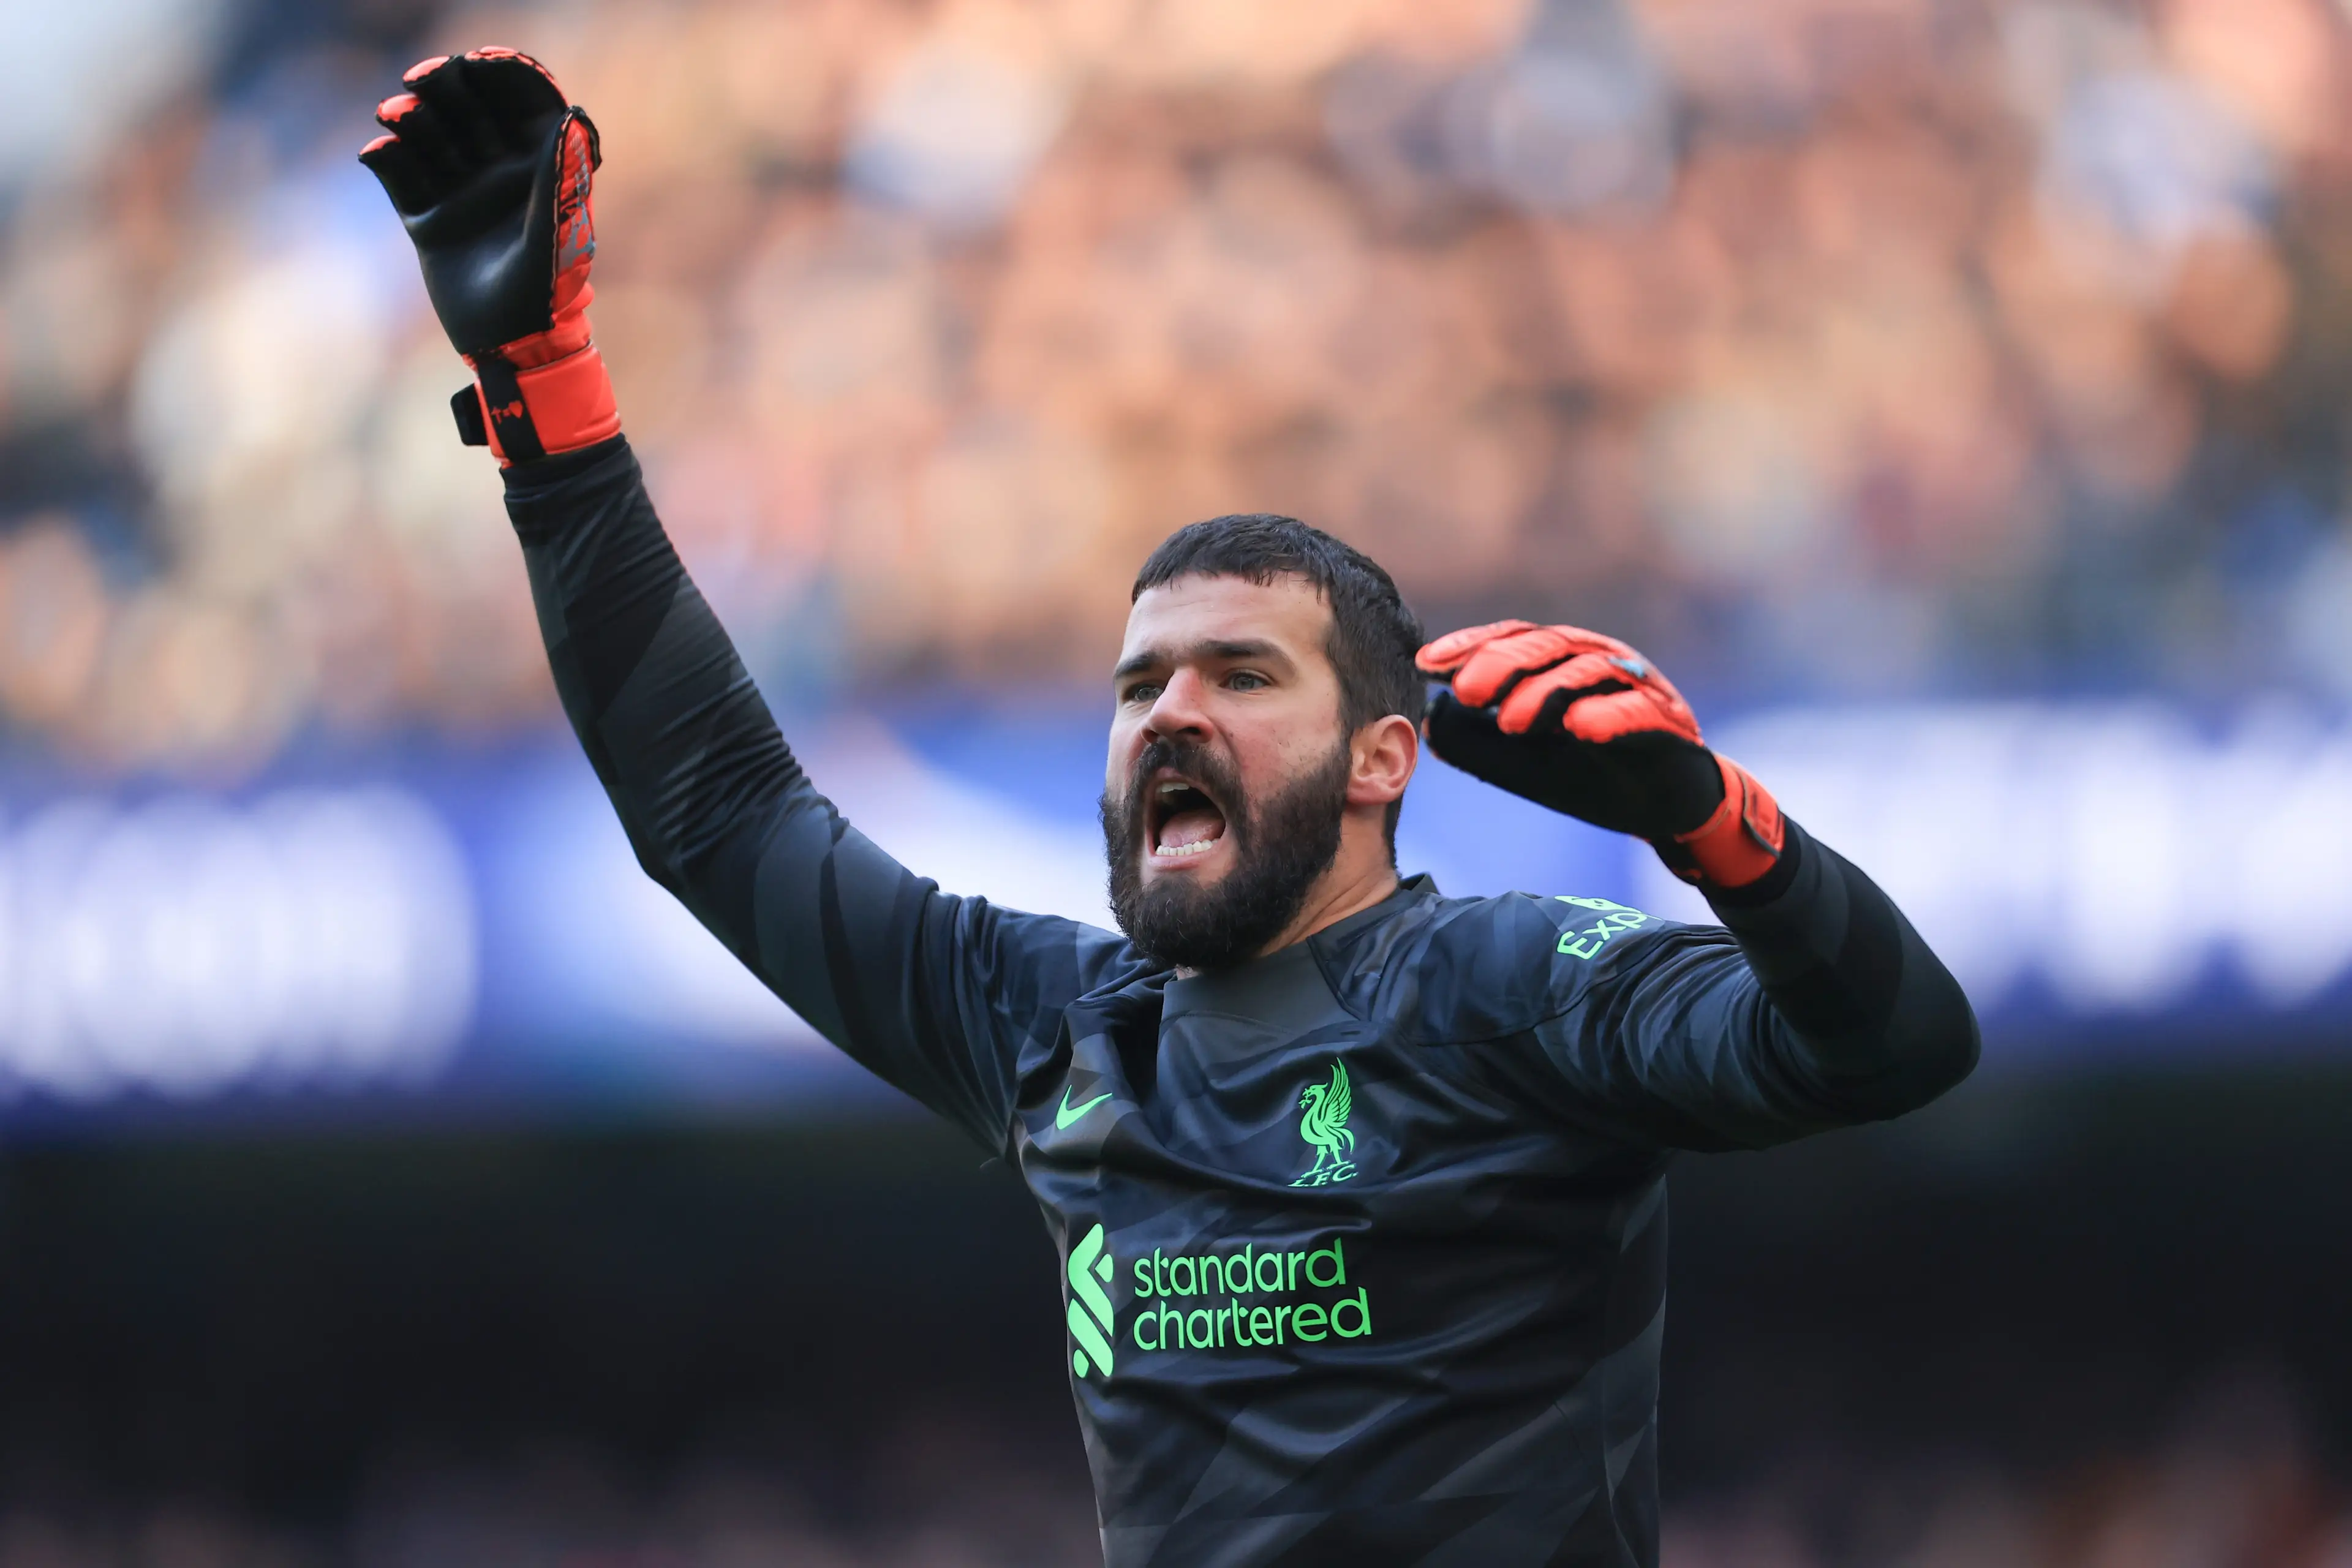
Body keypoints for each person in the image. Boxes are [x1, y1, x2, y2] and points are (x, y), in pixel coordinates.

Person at [361, 50, 1979, 1567]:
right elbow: (714, 811)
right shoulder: (1060, 1027)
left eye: (1241, 676)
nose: (1172, 715)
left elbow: (1893, 1050)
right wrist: (544, 392)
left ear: (1383, 759)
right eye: (1141, 688)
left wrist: (1712, 825)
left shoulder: (1517, 989)